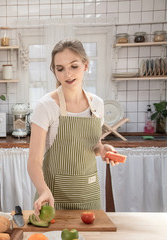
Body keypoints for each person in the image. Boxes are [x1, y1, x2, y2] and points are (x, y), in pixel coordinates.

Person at [27, 39, 119, 216]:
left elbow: (93, 145)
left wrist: (102, 149)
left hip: (89, 194)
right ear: (54, 71)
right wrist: (43, 190)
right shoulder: (46, 106)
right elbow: (34, 161)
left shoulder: (97, 105)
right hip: (53, 196)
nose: (67, 74)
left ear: (86, 65)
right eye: (60, 68)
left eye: (74, 66)